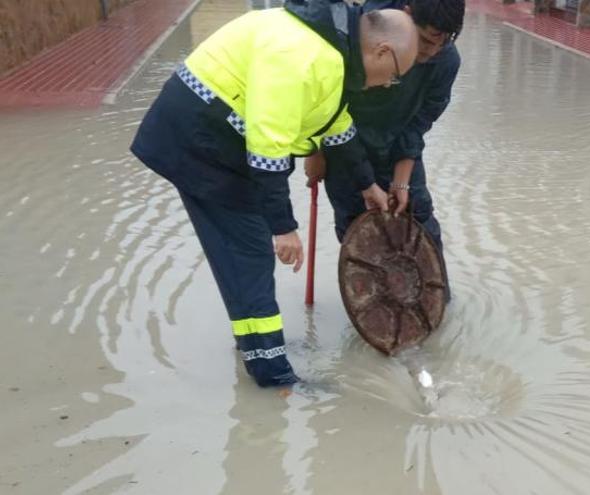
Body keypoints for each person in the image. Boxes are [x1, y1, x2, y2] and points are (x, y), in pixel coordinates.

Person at [130, 0, 419, 388]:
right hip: (199, 142)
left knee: (243, 253)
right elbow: (267, 147)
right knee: (249, 250)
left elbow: (336, 125)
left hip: (216, 141)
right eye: (395, 75)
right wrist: (283, 227)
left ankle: (256, 343)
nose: (387, 84)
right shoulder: (303, 54)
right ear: (382, 51)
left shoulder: (331, 52)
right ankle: (273, 374)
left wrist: (368, 185)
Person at [306, 0, 465, 302]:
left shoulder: (445, 61)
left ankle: (436, 312)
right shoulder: (364, 32)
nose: (430, 52)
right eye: (426, 40)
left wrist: (402, 180)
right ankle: (373, 311)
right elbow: (322, 98)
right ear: (406, 16)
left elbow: (419, 123)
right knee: (358, 229)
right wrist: (315, 152)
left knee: (420, 222)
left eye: (442, 42)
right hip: (344, 145)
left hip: (399, 147)